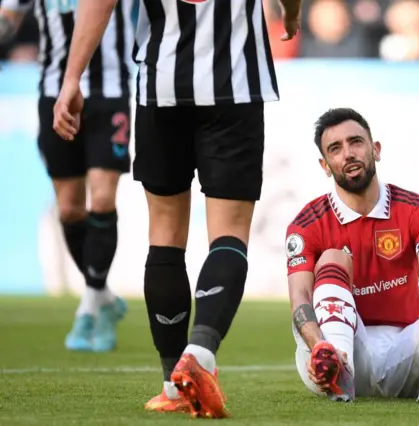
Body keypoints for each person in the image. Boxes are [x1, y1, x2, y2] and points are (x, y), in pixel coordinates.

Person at [52, 0, 302, 419]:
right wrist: (290, 12)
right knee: (229, 232)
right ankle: (201, 350)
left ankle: (173, 382)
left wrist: (72, 77)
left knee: (165, 233)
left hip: (161, 88)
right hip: (235, 87)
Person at [286, 108, 419, 404]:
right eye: (335, 149)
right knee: (332, 260)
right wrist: (319, 347)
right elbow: (300, 298)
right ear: (325, 165)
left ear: (375, 149)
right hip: (341, 347)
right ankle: (338, 369)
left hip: (407, 352)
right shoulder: (307, 224)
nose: (348, 154)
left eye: (356, 142)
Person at [0, 0, 134, 352]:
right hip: (53, 94)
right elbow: (9, 16)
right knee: (70, 209)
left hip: (110, 93)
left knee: (103, 198)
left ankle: (90, 305)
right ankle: (103, 296)